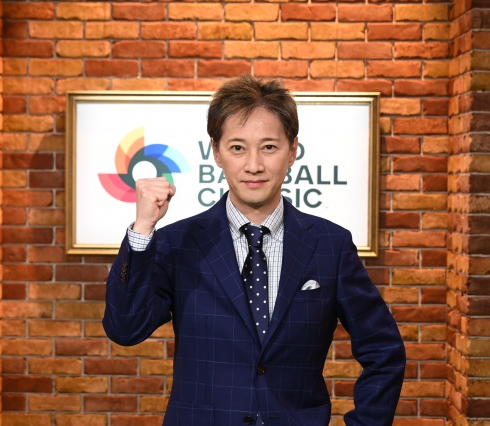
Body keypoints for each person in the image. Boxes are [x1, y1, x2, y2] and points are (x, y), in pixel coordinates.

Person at [103, 74, 406, 426]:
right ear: (216, 152)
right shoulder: (178, 243)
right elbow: (125, 329)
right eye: (237, 148)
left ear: (292, 150)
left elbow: (384, 350)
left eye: (269, 147)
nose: (254, 165)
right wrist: (143, 228)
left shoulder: (330, 245)